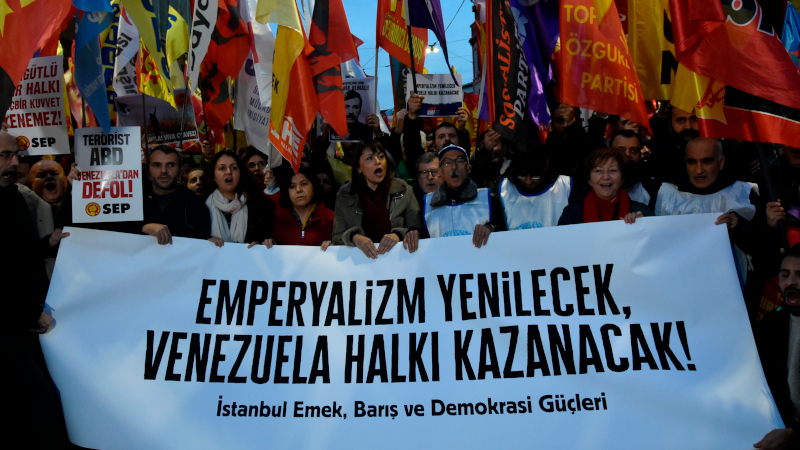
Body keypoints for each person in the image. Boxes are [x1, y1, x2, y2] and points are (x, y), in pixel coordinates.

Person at [0, 130, 69, 447]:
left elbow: (16, 255)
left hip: (21, 321)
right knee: (40, 398)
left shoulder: (12, 197)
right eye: (6, 155)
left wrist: (47, 244)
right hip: (9, 324)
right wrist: (31, 313)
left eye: (16, 155)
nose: (15, 163)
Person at [654, 137, 759, 281]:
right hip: (679, 280)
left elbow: (763, 248)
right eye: (692, 162)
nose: (699, 170)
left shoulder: (742, 194)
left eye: (707, 161)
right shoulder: (668, 195)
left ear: (721, 162)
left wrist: (738, 226)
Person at [332, 140, 422, 258]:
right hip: (360, 263)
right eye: (369, 158)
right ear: (359, 167)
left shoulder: (404, 189)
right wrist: (354, 237)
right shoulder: (344, 195)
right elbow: (337, 236)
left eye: (381, 156)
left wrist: (398, 234)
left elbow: (417, 230)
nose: (377, 162)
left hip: (397, 261)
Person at [754, 246, 800, 450]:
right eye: (785, 275)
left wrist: (795, 434)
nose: (791, 282)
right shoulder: (771, 325)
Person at [423, 144, 505, 247]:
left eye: (459, 161)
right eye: (447, 162)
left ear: (469, 168)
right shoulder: (428, 204)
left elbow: (505, 237)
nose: (454, 167)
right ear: (440, 172)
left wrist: (492, 228)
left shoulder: (489, 199)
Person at [558, 147, 653, 225]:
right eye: (598, 171)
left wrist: (644, 225)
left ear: (622, 179)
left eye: (613, 170)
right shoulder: (571, 213)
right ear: (589, 181)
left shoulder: (642, 211)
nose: (606, 177)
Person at [141, 145, 211, 244]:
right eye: (157, 165)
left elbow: (202, 247)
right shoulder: (133, 203)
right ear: (148, 173)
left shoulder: (196, 205)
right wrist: (143, 228)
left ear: (180, 172)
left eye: (170, 165)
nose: (164, 171)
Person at [203, 150, 273, 247]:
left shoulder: (259, 204)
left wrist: (259, 245)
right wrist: (206, 240)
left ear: (240, 173)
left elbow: (266, 239)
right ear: (213, 175)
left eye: (234, 168)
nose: (228, 172)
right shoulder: (201, 206)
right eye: (222, 168)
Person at [499, 150, 572, 229]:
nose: (529, 181)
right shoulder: (505, 189)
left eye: (535, 175)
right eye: (522, 175)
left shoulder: (565, 186)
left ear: (546, 164)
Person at [265, 167, 334, 248]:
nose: (298, 190)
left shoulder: (331, 218)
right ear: (288, 193)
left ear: (314, 187)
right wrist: (270, 244)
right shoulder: (280, 220)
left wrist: (336, 247)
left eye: (304, 184)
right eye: (292, 186)